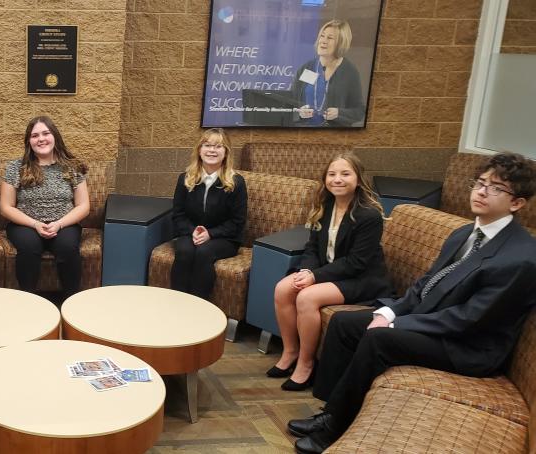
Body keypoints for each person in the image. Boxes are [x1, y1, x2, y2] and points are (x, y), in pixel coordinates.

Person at [287, 152, 536, 454]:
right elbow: (426, 283)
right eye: (480, 182)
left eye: (497, 188)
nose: (481, 191)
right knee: (344, 324)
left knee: (379, 339)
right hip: (433, 320)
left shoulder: (520, 257)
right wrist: (391, 309)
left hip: (467, 346)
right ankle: (330, 413)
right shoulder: (464, 233)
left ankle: (332, 431)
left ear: (517, 203)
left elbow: (470, 318)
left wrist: (396, 323)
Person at [269, 153, 391, 392]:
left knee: (306, 297)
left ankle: (306, 364)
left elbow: (357, 262)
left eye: (345, 174)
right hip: (330, 273)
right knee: (284, 288)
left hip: (362, 279)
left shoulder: (369, 215)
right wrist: (306, 270)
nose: (338, 179)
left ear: (358, 178)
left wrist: (315, 277)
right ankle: (290, 351)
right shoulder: (324, 206)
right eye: (332, 174)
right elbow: (312, 247)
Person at [0, 116, 89, 300]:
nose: (41, 139)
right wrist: (35, 224)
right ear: (29, 141)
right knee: (29, 247)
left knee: (67, 247)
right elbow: (6, 207)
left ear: (55, 136)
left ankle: (70, 303)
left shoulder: (72, 166)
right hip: (25, 225)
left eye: (46, 133)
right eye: (34, 135)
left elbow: (83, 206)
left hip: (64, 223)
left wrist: (59, 224)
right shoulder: (16, 167)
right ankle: (29, 302)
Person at [169, 128, 246, 300]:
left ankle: (200, 306)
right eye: (207, 145)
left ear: (226, 153)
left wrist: (210, 234)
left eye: (218, 146)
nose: (212, 150)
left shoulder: (236, 183)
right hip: (190, 233)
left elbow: (237, 222)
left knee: (204, 252)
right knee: (185, 252)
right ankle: (175, 303)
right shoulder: (185, 178)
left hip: (224, 238)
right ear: (199, 150)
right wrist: (193, 231)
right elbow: (178, 214)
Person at [291, 20, 364, 126]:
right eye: (322, 36)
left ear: (341, 42)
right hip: (303, 133)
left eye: (329, 38)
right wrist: (299, 113)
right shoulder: (306, 68)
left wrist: (339, 113)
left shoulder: (350, 72)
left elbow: (359, 111)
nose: (323, 41)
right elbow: (290, 104)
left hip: (333, 136)